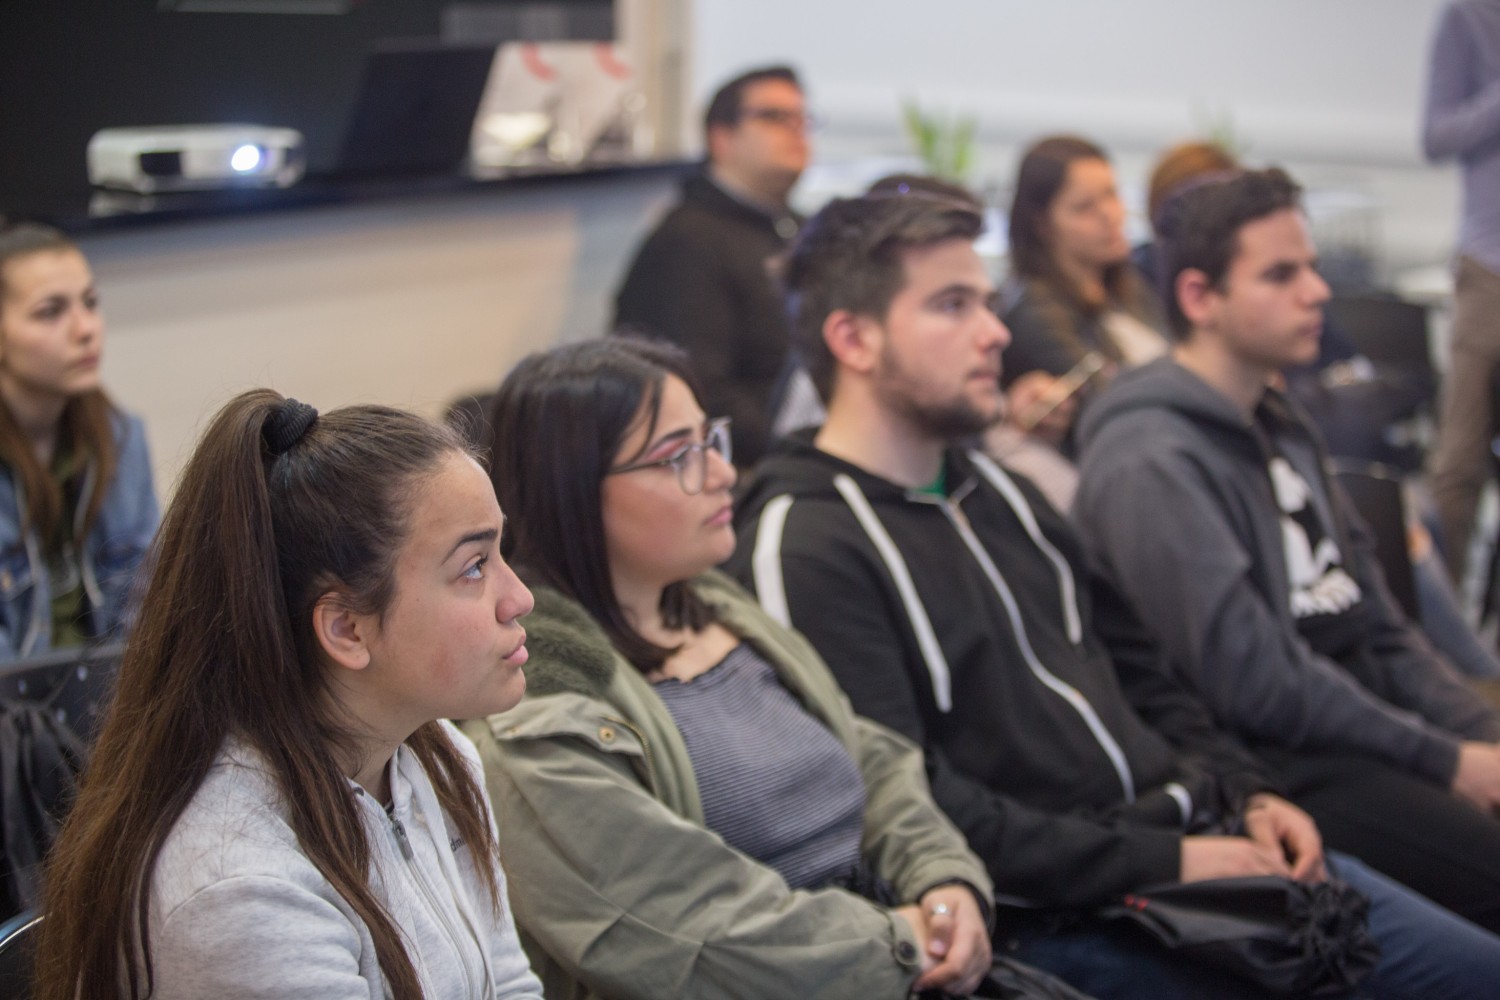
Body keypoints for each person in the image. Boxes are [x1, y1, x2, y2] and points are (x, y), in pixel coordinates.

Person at [727, 189, 1500, 999]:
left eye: (987, 303)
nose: (995, 333)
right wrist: (1170, 860)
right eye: (952, 307)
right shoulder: (807, 542)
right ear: (852, 338)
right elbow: (909, 808)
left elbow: (1150, 672)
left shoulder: (999, 492)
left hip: (1201, 845)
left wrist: (1246, 790)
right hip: (1068, 913)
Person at [464, 338, 1085, 1000]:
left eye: (713, 441)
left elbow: (869, 757)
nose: (723, 473)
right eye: (679, 456)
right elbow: (689, 924)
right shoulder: (537, 702)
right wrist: (901, 941)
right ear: (574, 493)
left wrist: (942, 880)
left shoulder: (717, 606)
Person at [1073, 167, 1500, 935]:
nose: (1317, 293)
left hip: (1364, 727)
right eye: (1281, 274)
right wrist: (1446, 760)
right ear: (1201, 298)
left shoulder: (1276, 417)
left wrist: (1478, 734)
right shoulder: (1149, 458)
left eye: (1309, 267)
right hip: (1284, 765)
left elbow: (1377, 623)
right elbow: (1258, 684)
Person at [32, 390, 543, 1000]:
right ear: (346, 629)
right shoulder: (238, 886)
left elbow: (509, 986)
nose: (519, 598)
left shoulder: (439, 762)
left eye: (500, 553)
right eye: (474, 567)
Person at [613, 65, 811, 466]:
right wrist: (809, 448)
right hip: (739, 467)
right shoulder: (687, 243)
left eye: (802, 119)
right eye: (775, 117)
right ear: (721, 138)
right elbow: (702, 394)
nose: (796, 131)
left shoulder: (800, 228)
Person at [0, 223, 158, 659]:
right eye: (51, 312)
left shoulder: (121, 438)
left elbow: (145, 609)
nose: (86, 328)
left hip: (107, 706)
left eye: (90, 303)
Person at [1000, 136, 1166, 453]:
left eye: (1111, 194)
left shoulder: (1129, 288)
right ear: (1042, 224)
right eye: (1085, 207)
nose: (1111, 215)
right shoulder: (1035, 314)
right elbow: (1115, 408)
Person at [1423, 0, 1500, 583]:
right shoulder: (1468, 17)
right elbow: (1436, 134)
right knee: (1461, 458)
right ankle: (1446, 628)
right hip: (1490, 267)